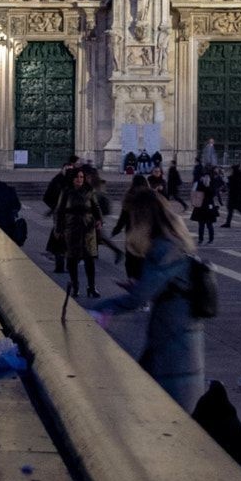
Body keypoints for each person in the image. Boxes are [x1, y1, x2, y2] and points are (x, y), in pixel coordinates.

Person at [89, 191, 205, 411]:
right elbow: (163, 285)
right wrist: (141, 286)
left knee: (171, 406)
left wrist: (99, 310)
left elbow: (138, 299)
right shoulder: (173, 241)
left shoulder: (164, 247)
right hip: (174, 331)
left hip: (175, 338)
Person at [54, 167, 115, 299]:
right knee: (72, 259)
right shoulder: (66, 192)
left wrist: (99, 219)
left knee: (89, 258)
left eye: (81, 177)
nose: (79, 179)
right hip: (71, 227)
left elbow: (96, 207)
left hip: (88, 228)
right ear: (72, 178)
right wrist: (58, 229)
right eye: (77, 177)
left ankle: (91, 287)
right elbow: (59, 211)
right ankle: (75, 286)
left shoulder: (89, 191)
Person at [193, 380, 241, 464]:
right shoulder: (228, 408)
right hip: (240, 454)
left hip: (227, 455)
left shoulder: (206, 402)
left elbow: (196, 418)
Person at [190, 176, 219, 246]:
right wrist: (203, 184)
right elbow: (196, 192)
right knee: (201, 225)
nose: (206, 179)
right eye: (205, 178)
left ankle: (210, 239)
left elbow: (213, 194)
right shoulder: (200, 185)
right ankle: (201, 239)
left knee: (209, 225)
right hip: (201, 207)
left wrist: (207, 185)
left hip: (208, 207)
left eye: (207, 178)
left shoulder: (211, 185)